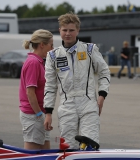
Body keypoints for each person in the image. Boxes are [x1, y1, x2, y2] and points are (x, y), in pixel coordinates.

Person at [43, 12, 111, 149]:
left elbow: (104, 71)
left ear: (78, 30)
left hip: (89, 104)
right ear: (59, 31)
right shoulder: (52, 55)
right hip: (66, 106)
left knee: (90, 147)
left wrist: (102, 96)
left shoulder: (90, 49)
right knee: (68, 149)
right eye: (65, 30)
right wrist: (48, 113)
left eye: (71, 30)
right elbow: (50, 86)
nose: (68, 33)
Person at [19, 29, 53, 150]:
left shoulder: (39, 62)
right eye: (51, 44)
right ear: (42, 45)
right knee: (33, 156)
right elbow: (30, 92)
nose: (52, 48)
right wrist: (39, 114)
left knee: (45, 153)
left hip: (39, 113)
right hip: (33, 115)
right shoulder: (33, 62)